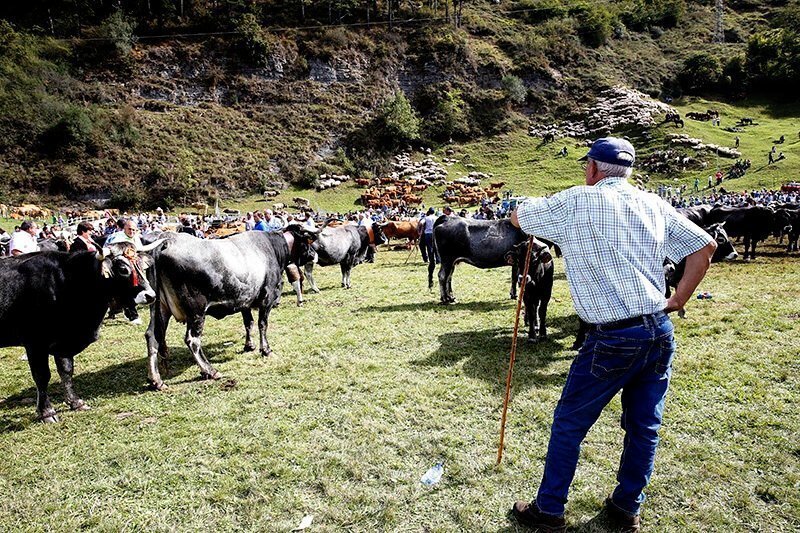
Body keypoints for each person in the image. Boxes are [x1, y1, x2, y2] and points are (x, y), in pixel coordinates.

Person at [509, 137, 716, 531]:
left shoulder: (577, 200)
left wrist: (529, 203)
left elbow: (519, 218)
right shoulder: (653, 202)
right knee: (644, 425)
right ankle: (626, 507)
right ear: (628, 170)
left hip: (613, 336)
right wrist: (678, 299)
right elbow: (704, 247)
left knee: (570, 422)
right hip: (658, 330)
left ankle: (549, 510)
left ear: (592, 168)